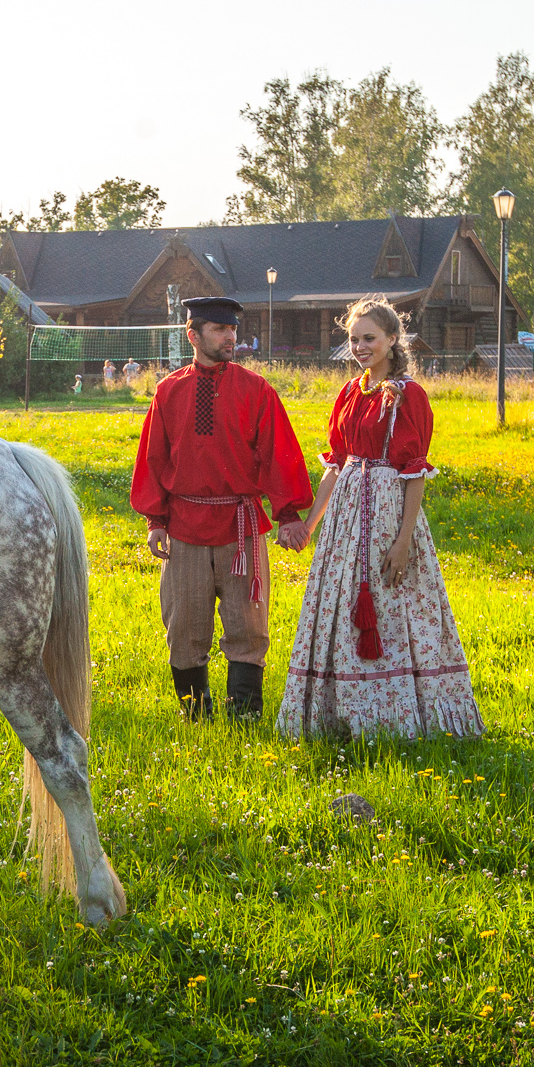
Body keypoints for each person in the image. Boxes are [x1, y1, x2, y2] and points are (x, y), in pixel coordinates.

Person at [275, 297, 483, 739]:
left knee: (392, 604)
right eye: (354, 338)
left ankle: (396, 717)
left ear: (392, 339)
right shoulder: (350, 393)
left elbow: (414, 474)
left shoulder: (410, 395)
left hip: (389, 514)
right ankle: (339, 715)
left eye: (369, 338)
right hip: (345, 523)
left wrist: (404, 539)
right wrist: (311, 525)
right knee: (337, 603)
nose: (360, 346)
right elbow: (337, 465)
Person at [131, 297, 313, 720]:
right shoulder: (168, 391)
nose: (230, 337)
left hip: (241, 528)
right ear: (193, 336)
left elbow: (277, 451)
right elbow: (154, 458)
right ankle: (195, 715)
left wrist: (287, 515)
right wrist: (156, 521)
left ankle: (244, 717)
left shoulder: (256, 390)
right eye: (219, 330)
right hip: (185, 528)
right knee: (185, 625)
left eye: (232, 330)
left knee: (247, 624)